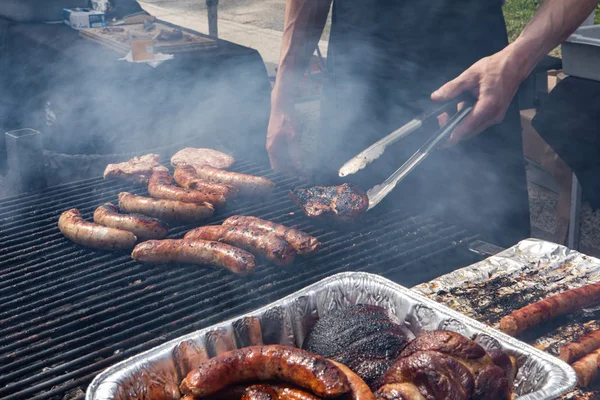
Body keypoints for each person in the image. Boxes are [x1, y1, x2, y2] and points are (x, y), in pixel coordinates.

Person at [266, 0, 598, 248]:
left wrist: (517, 59)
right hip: (356, 91)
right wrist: (283, 93)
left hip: (470, 87)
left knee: (484, 277)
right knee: (342, 257)